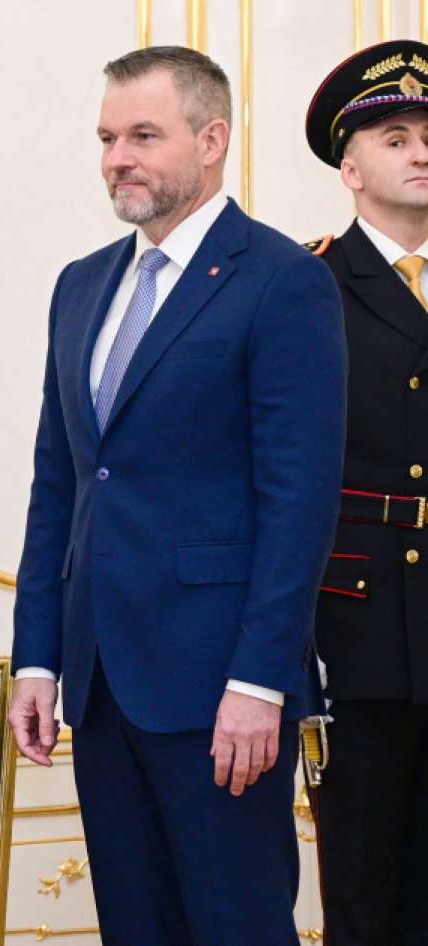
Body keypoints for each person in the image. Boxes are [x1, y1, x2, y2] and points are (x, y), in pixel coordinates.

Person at [7, 46, 346, 946]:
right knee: (136, 928)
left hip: (219, 685)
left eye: (143, 136)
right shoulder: (81, 285)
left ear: (212, 140)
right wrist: (37, 657)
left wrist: (260, 680)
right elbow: (58, 482)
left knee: (236, 926)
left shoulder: (284, 281)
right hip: (99, 683)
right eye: (107, 138)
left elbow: (299, 502)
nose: (117, 159)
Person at [303, 39, 428, 946]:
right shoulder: (308, 286)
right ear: (350, 168)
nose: (422, 153)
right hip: (360, 624)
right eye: (396, 138)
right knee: (365, 885)